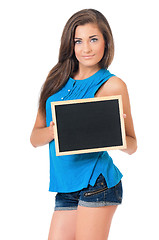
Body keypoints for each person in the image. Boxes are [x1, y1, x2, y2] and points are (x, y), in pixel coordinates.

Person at [30, 8, 137, 240]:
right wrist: (53, 131)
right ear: (70, 44)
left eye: (93, 39)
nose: (86, 48)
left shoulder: (113, 85)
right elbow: (34, 138)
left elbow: (132, 145)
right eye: (79, 41)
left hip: (96, 182)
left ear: (106, 42)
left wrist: (113, 132)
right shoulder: (55, 80)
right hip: (65, 186)